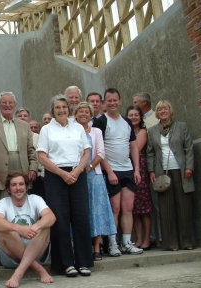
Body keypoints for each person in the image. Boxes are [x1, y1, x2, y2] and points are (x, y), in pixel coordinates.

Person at [37, 95, 93, 277]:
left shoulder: (77, 127)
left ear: (69, 109)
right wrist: (62, 173)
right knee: (60, 220)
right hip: (56, 175)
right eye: (57, 107)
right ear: (52, 110)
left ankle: (84, 262)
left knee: (81, 217)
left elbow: (86, 152)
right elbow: (42, 157)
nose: (61, 110)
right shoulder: (46, 129)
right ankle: (65, 263)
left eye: (64, 107)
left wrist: (77, 171)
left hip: (78, 174)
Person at [0, 92, 38, 264]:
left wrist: (33, 168)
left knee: (19, 212)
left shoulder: (24, 125)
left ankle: (18, 250)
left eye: (10, 103)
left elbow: (31, 151)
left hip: (20, 170)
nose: (7, 105)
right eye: (4, 103)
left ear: (15, 105)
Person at [93, 88, 142, 256]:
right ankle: (113, 244)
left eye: (115, 100)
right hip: (111, 171)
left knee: (127, 207)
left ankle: (127, 242)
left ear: (120, 101)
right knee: (114, 208)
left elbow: (133, 146)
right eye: (109, 100)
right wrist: (110, 171)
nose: (112, 103)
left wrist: (136, 168)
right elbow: (99, 150)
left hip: (128, 170)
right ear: (105, 103)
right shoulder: (100, 122)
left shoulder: (127, 122)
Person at [147, 100, 196, 251]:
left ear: (170, 110)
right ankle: (170, 243)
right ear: (157, 113)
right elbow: (150, 152)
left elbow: (188, 148)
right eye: (160, 109)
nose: (163, 111)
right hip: (162, 173)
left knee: (184, 207)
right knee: (166, 209)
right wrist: (151, 170)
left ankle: (187, 241)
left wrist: (189, 167)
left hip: (181, 172)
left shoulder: (181, 127)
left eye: (165, 108)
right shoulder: (152, 130)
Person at [0, 171, 55, 288]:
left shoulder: (35, 199)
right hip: (11, 257)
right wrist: (19, 229)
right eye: (14, 185)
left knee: (44, 228)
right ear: (8, 189)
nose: (18, 188)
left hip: (36, 249)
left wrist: (35, 227)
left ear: (26, 187)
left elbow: (51, 217)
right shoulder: (2, 203)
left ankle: (18, 273)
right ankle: (39, 270)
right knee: (6, 231)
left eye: (21, 184)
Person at [74, 102, 117, 261]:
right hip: (76, 175)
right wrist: (79, 169)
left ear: (91, 115)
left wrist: (90, 167)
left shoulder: (97, 131)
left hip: (95, 175)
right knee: (82, 211)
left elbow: (100, 152)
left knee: (97, 211)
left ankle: (97, 248)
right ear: (76, 115)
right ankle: (83, 246)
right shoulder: (72, 131)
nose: (84, 114)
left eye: (87, 112)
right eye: (81, 111)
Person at [126, 106, 153, 250]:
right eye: (130, 115)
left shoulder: (142, 132)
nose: (134, 117)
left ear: (140, 117)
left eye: (136, 115)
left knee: (144, 208)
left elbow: (136, 148)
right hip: (127, 169)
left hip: (140, 169)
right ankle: (138, 239)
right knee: (134, 209)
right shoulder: (125, 131)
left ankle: (147, 239)